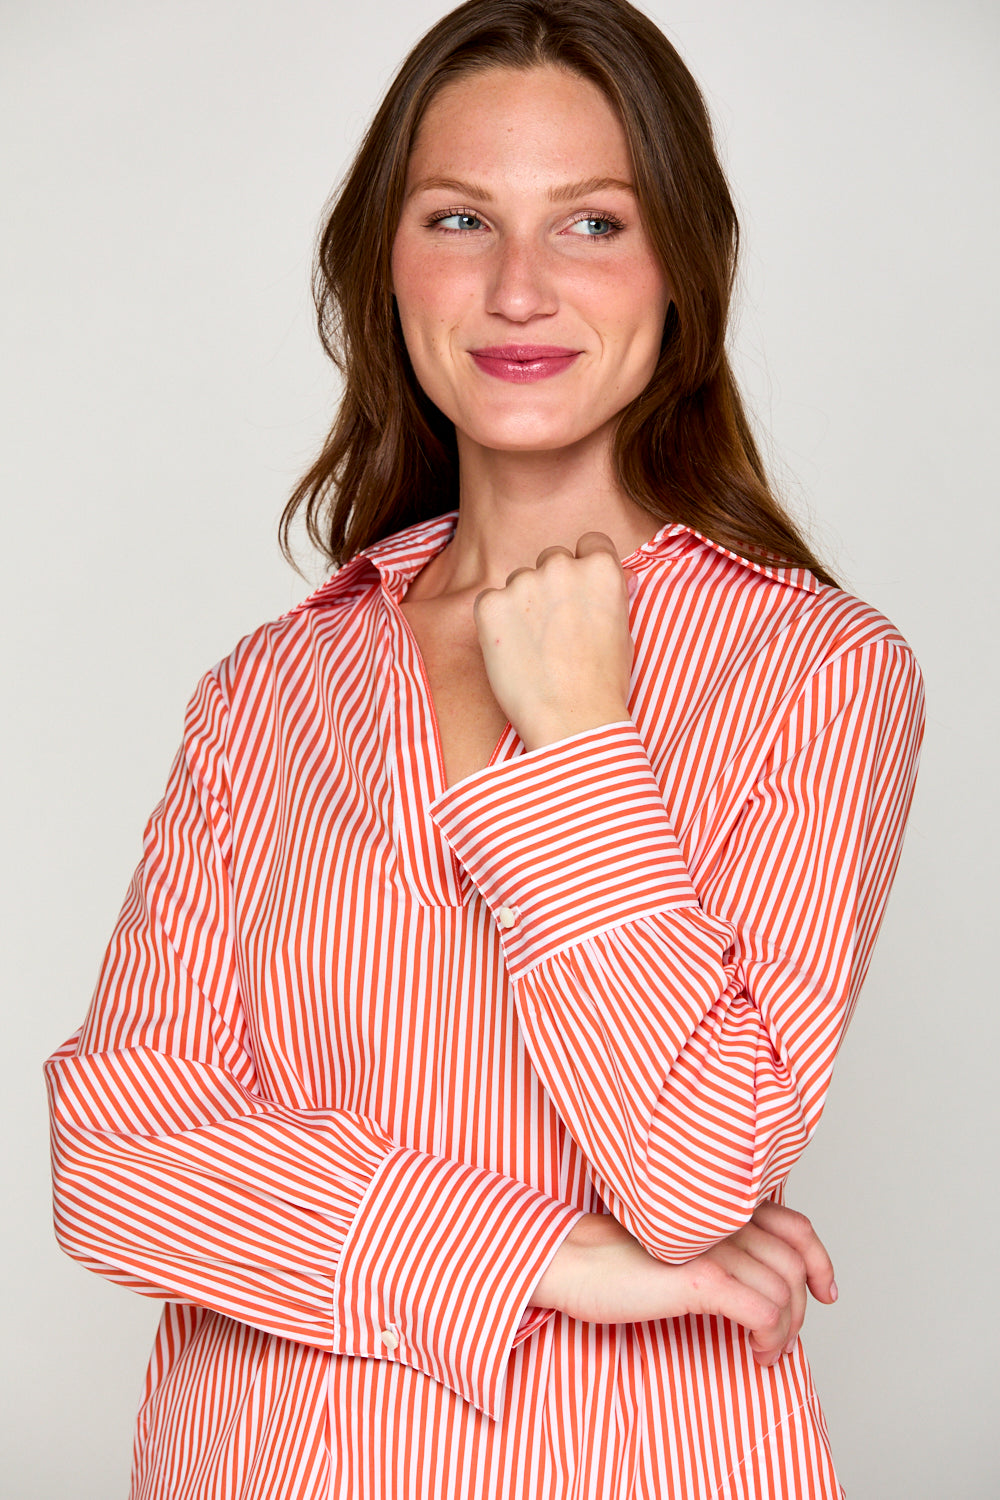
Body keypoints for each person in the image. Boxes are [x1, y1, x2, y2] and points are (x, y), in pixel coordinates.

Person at [45, 1, 924, 1496]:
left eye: (591, 222)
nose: (520, 287)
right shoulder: (268, 689)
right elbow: (113, 1163)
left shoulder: (818, 672)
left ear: (683, 270)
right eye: (460, 218)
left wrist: (581, 738)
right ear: (385, 266)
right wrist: (548, 1258)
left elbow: (697, 1172)